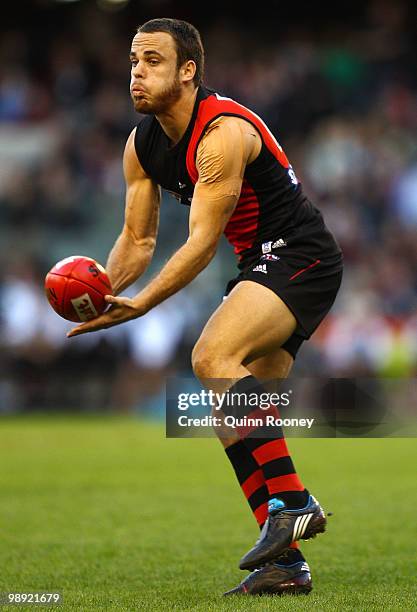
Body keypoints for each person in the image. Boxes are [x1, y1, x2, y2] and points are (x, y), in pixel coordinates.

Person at [68, 18, 343, 596]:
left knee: (211, 356)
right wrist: (98, 290)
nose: (137, 73)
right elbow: (138, 242)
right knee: (227, 415)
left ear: (188, 70)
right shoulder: (143, 144)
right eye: (133, 62)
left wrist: (141, 304)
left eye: (153, 61)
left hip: (300, 254)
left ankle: (293, 501)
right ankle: (286, 567)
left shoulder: (222, 132)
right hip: (261, 264)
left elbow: (199, 242)